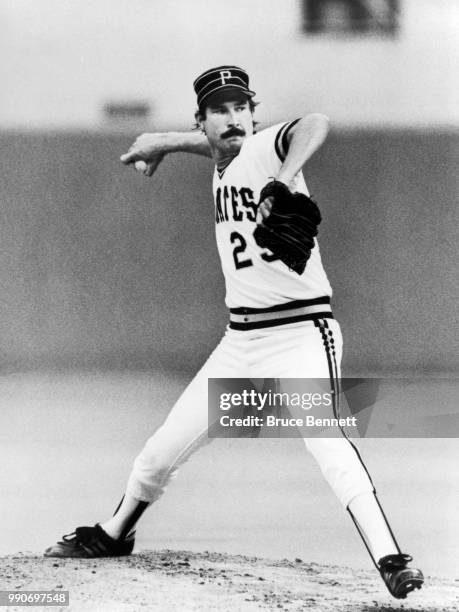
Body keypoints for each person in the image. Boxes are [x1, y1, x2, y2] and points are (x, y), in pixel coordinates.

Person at [45, 65, 423, 600]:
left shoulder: (268, 148)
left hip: (301, 333)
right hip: (240, 342)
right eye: (220, 109)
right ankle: (113, 533)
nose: (234, 117)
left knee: (328, 440)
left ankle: (391, 559)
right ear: (203, 120)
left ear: (254, 113)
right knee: (158, 454)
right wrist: (165, 142)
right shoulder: (224, 154)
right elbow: (217, 147)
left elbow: (315, 122)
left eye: (242, 107)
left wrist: (288, 176)